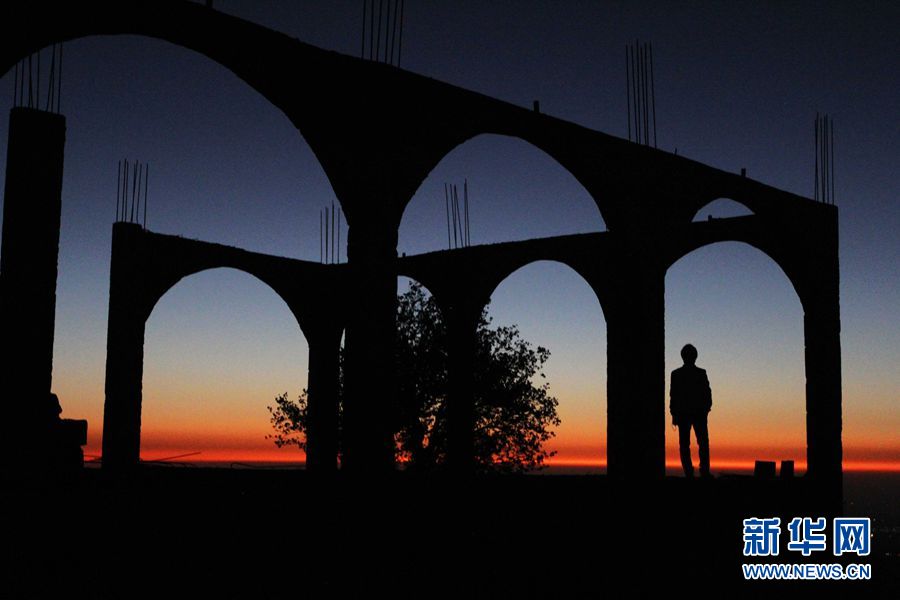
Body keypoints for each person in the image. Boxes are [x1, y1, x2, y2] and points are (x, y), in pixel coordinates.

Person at [670, 344, 712, 478]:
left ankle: (690, 472)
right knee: (702, 443)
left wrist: (674, 413)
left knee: (686, 444)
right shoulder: (700, 373)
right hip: (697, 414)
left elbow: (673, 396)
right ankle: (703, 471)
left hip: (686, 414)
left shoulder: (676, 374)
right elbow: (707, 393)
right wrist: (706, 408)